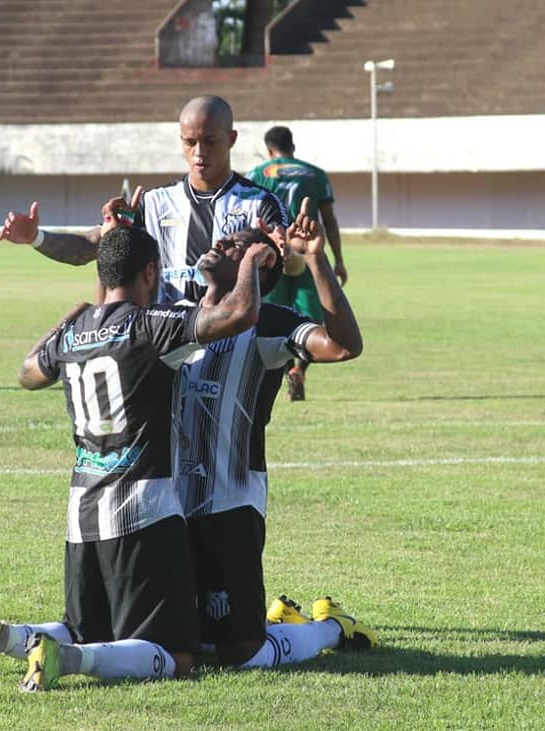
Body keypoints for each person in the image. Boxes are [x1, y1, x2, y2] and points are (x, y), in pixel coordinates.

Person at [0, 225, 278, 691]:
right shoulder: (151, 324)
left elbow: (27, 373)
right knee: (176, 656)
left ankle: (3, 637)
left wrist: (66, 319)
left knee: (88, 628)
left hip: (81, 514)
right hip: (144, 510)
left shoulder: (75, 332)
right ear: (151, 271)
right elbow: (238, 314)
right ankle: (66, 659)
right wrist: (253, 262)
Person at [175, 210, 375, 671]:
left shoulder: (270, 324)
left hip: (230, 507)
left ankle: (331, 627)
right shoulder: (183, 319)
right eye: (220, 241)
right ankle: (280, 618)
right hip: (170, 507)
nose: (219, 246)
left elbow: (344, 346)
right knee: (188, 647)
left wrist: (316, 260)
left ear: (260, 265)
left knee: (239, 657)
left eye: (233, 245)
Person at [0, 95, 288, 304]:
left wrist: (296, 251)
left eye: (210, 141)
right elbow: (89, 247)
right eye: (190, 142)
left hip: (234, 343)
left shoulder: (260, 203)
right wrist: (36, 237)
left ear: (232, 138)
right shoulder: (153, 203)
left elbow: (290, 263)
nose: (199, 152)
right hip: (166, 345)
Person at [248, 125, 346, 401]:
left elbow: (250, 218)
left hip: (274, 255)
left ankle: (274, 377)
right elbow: (329, 220)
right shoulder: (315, 174)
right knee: (312, 316)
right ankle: (298, 369)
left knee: (270, 317)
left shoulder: (257, 175)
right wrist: (338, 260)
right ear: (293, 146)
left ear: (269, 150)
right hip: (306, 251)